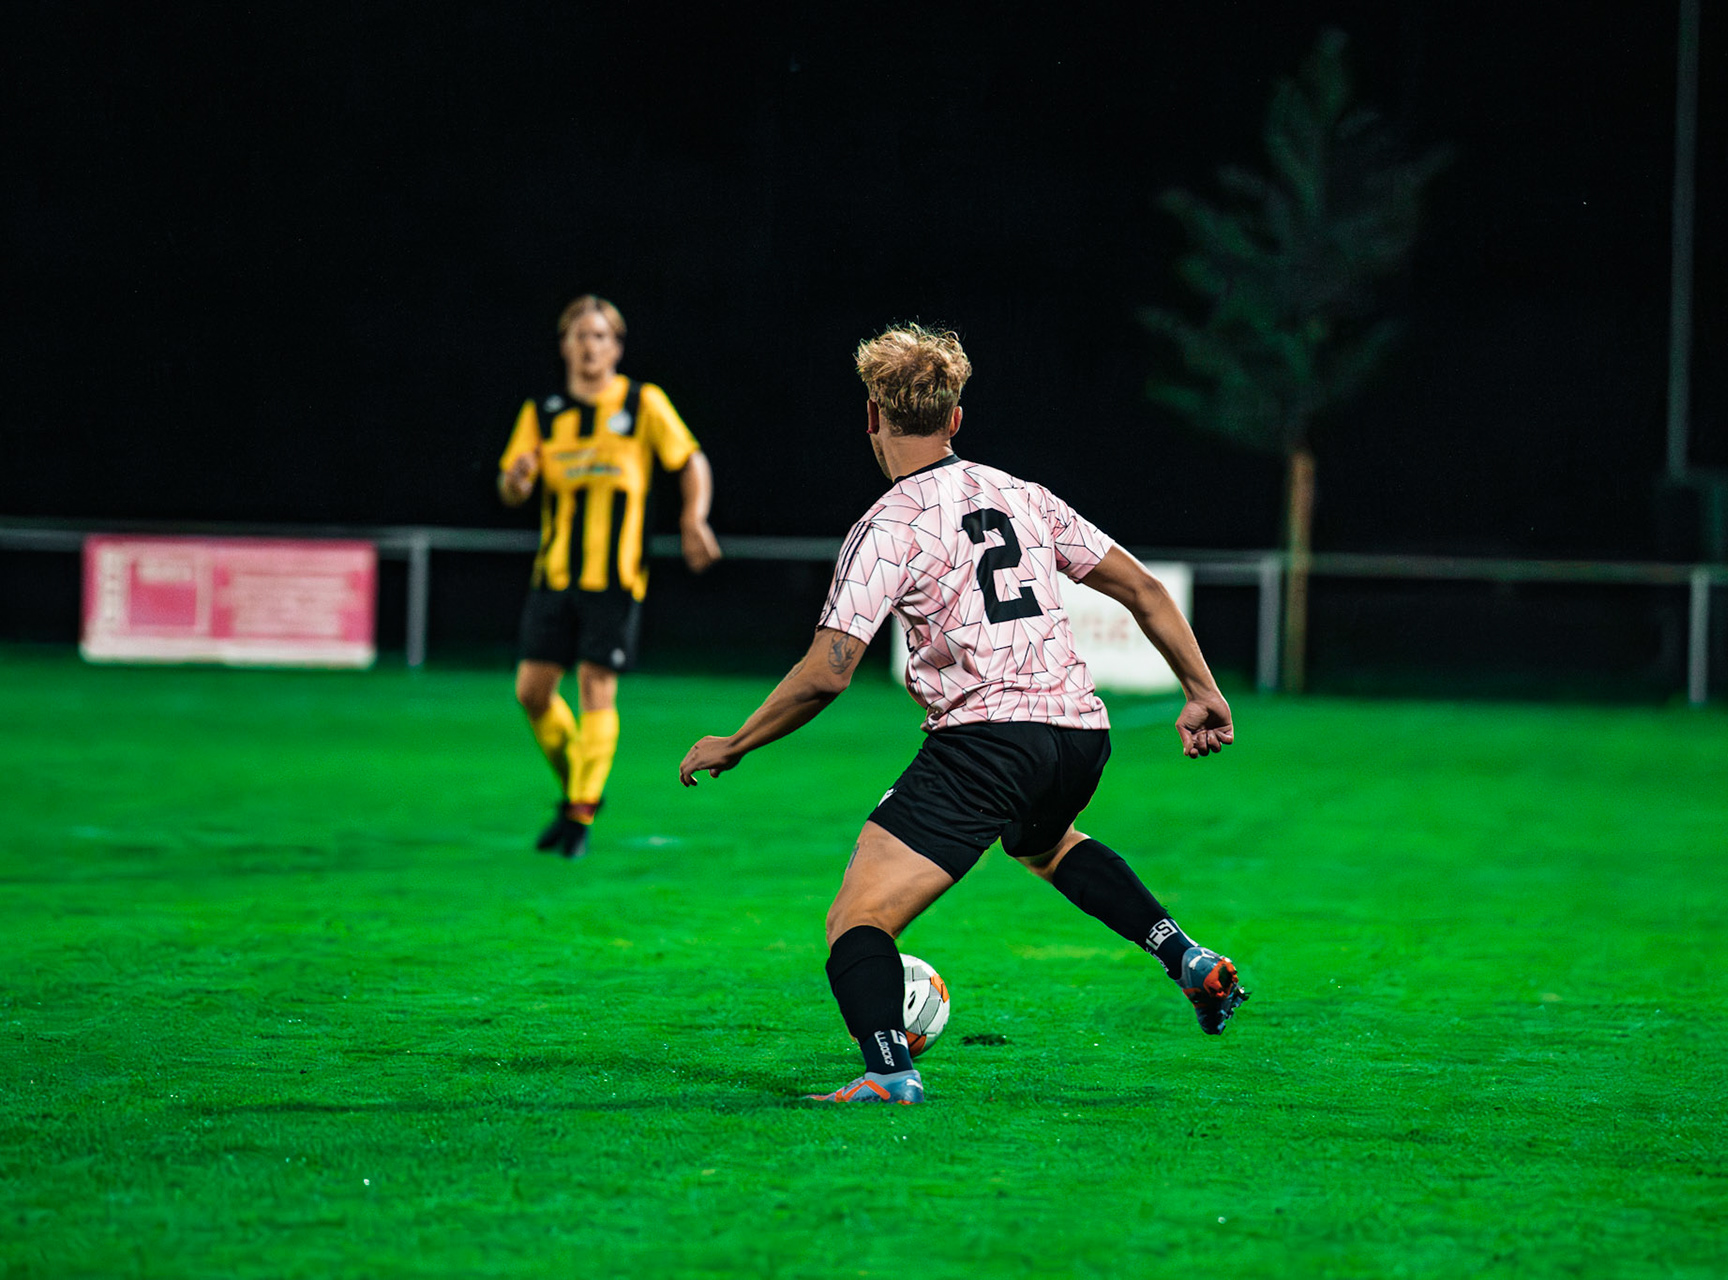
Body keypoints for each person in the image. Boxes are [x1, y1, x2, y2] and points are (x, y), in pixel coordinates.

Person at [678, 323, 1245, 1105]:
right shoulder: (1023, 495)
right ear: (954, 419)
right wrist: (1201, 690)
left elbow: (828, 672)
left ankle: (888, 1073)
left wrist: (736, 741)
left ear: (872, 418)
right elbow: (1143, 588)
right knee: (1043, 844)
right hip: (1078, 736)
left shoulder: (888, 526)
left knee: (859, 920)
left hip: (987, 742)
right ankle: (1185, 957)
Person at [499, 294, 721, 859]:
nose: (589, 346)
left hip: (615, 578)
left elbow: (690, 459)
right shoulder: (544, 411)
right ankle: (580, 792)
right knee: (532, 692)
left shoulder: (642, 403)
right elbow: (511, 486)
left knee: (596, 690)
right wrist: (519, 480)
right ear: (565, 346)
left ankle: (578, 813)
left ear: (616, 347)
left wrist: (693, 517)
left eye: (600, 336)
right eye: (579, 336)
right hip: (553, 574)